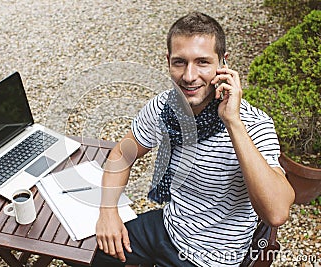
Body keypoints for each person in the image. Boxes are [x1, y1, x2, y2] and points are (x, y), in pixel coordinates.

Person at [70, 12, 295, 267]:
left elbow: (276, 213)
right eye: (179, 62)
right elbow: (122, 154)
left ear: (223, 63)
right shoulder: (164, 107)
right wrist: (108, 212)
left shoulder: (253, 123)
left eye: (202, 62)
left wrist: (233, 122)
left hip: (210, 256)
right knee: (83, 252)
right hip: (169, 225)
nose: (189, 76)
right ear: (168, 62)